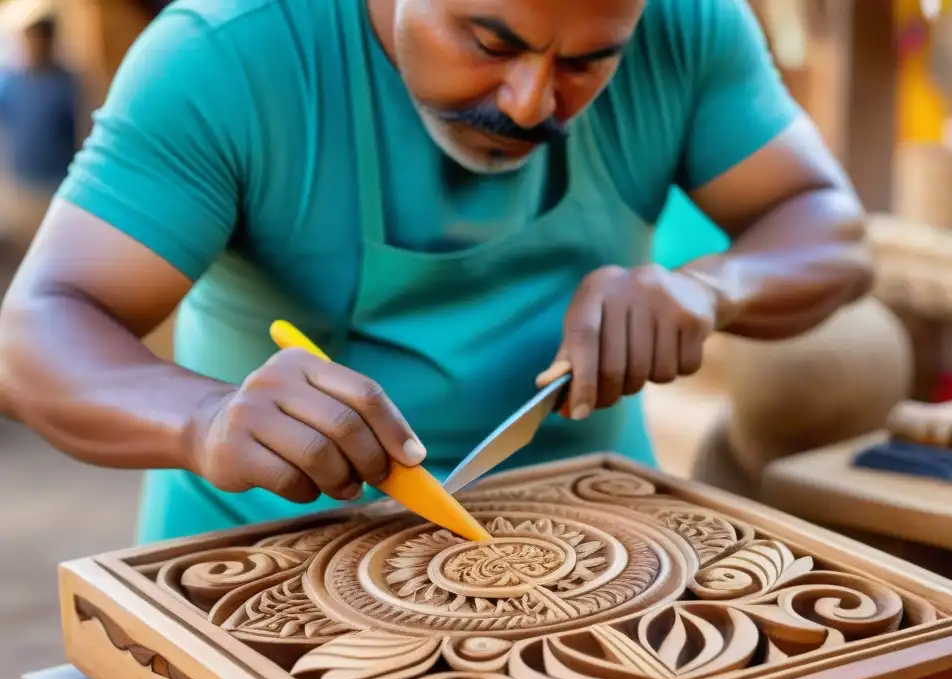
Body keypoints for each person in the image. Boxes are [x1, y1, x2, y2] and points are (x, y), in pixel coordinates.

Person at [0, 0, 872, 543]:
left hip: (595, 538)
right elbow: (35, 330)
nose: (530, 104)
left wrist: (709, 289)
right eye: (488, 41)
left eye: (585, 63)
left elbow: (828, 228)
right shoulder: (225, 55)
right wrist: (204, 417)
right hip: (269, 565)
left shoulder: (690, 25)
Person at [0, 13, 77, 251]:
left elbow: (77, 131)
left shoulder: (66, 83)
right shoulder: (11, 82)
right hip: (21, 183)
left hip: (53, 183)